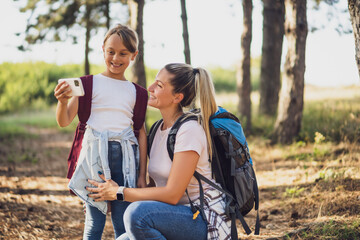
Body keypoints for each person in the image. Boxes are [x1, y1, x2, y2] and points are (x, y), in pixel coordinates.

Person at [86, 63, 232, 240]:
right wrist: (108, 197)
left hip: (205, 221)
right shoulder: (157, 130)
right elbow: (154, 191)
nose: (150, 88)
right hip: (174, 217)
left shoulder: (189, 130)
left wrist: (119, 192)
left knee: (137, 215)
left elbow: (172, 194)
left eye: (159, 85)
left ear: (177, 97)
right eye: (155, 82)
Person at [54, 24, 148, 240]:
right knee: (94, 221)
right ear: (103, 49)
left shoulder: (137, 92)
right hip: (95, 158)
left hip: (126, 161)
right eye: (111, 52)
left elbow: (141, 133)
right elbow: (64, 121)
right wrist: (62, 102)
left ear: (134, 55)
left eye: (123, 53)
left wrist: (142, 174)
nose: (116, 58)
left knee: (123, 222)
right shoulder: (86, 84)